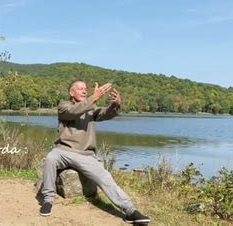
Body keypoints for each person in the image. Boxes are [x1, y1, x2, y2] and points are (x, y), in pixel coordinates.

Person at [39, 79, 151, 224]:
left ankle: (130, 211)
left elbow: (106, 114)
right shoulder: (64, 106)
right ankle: (48, 200)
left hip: (85, 155)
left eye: (85, 88)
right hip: (63, 150)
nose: (85, 91)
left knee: (105, 177)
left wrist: (115, 105)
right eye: (80, 89)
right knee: (50, 158)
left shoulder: (90, 108)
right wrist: (94, 97)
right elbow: (74, 111)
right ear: (71, 93)